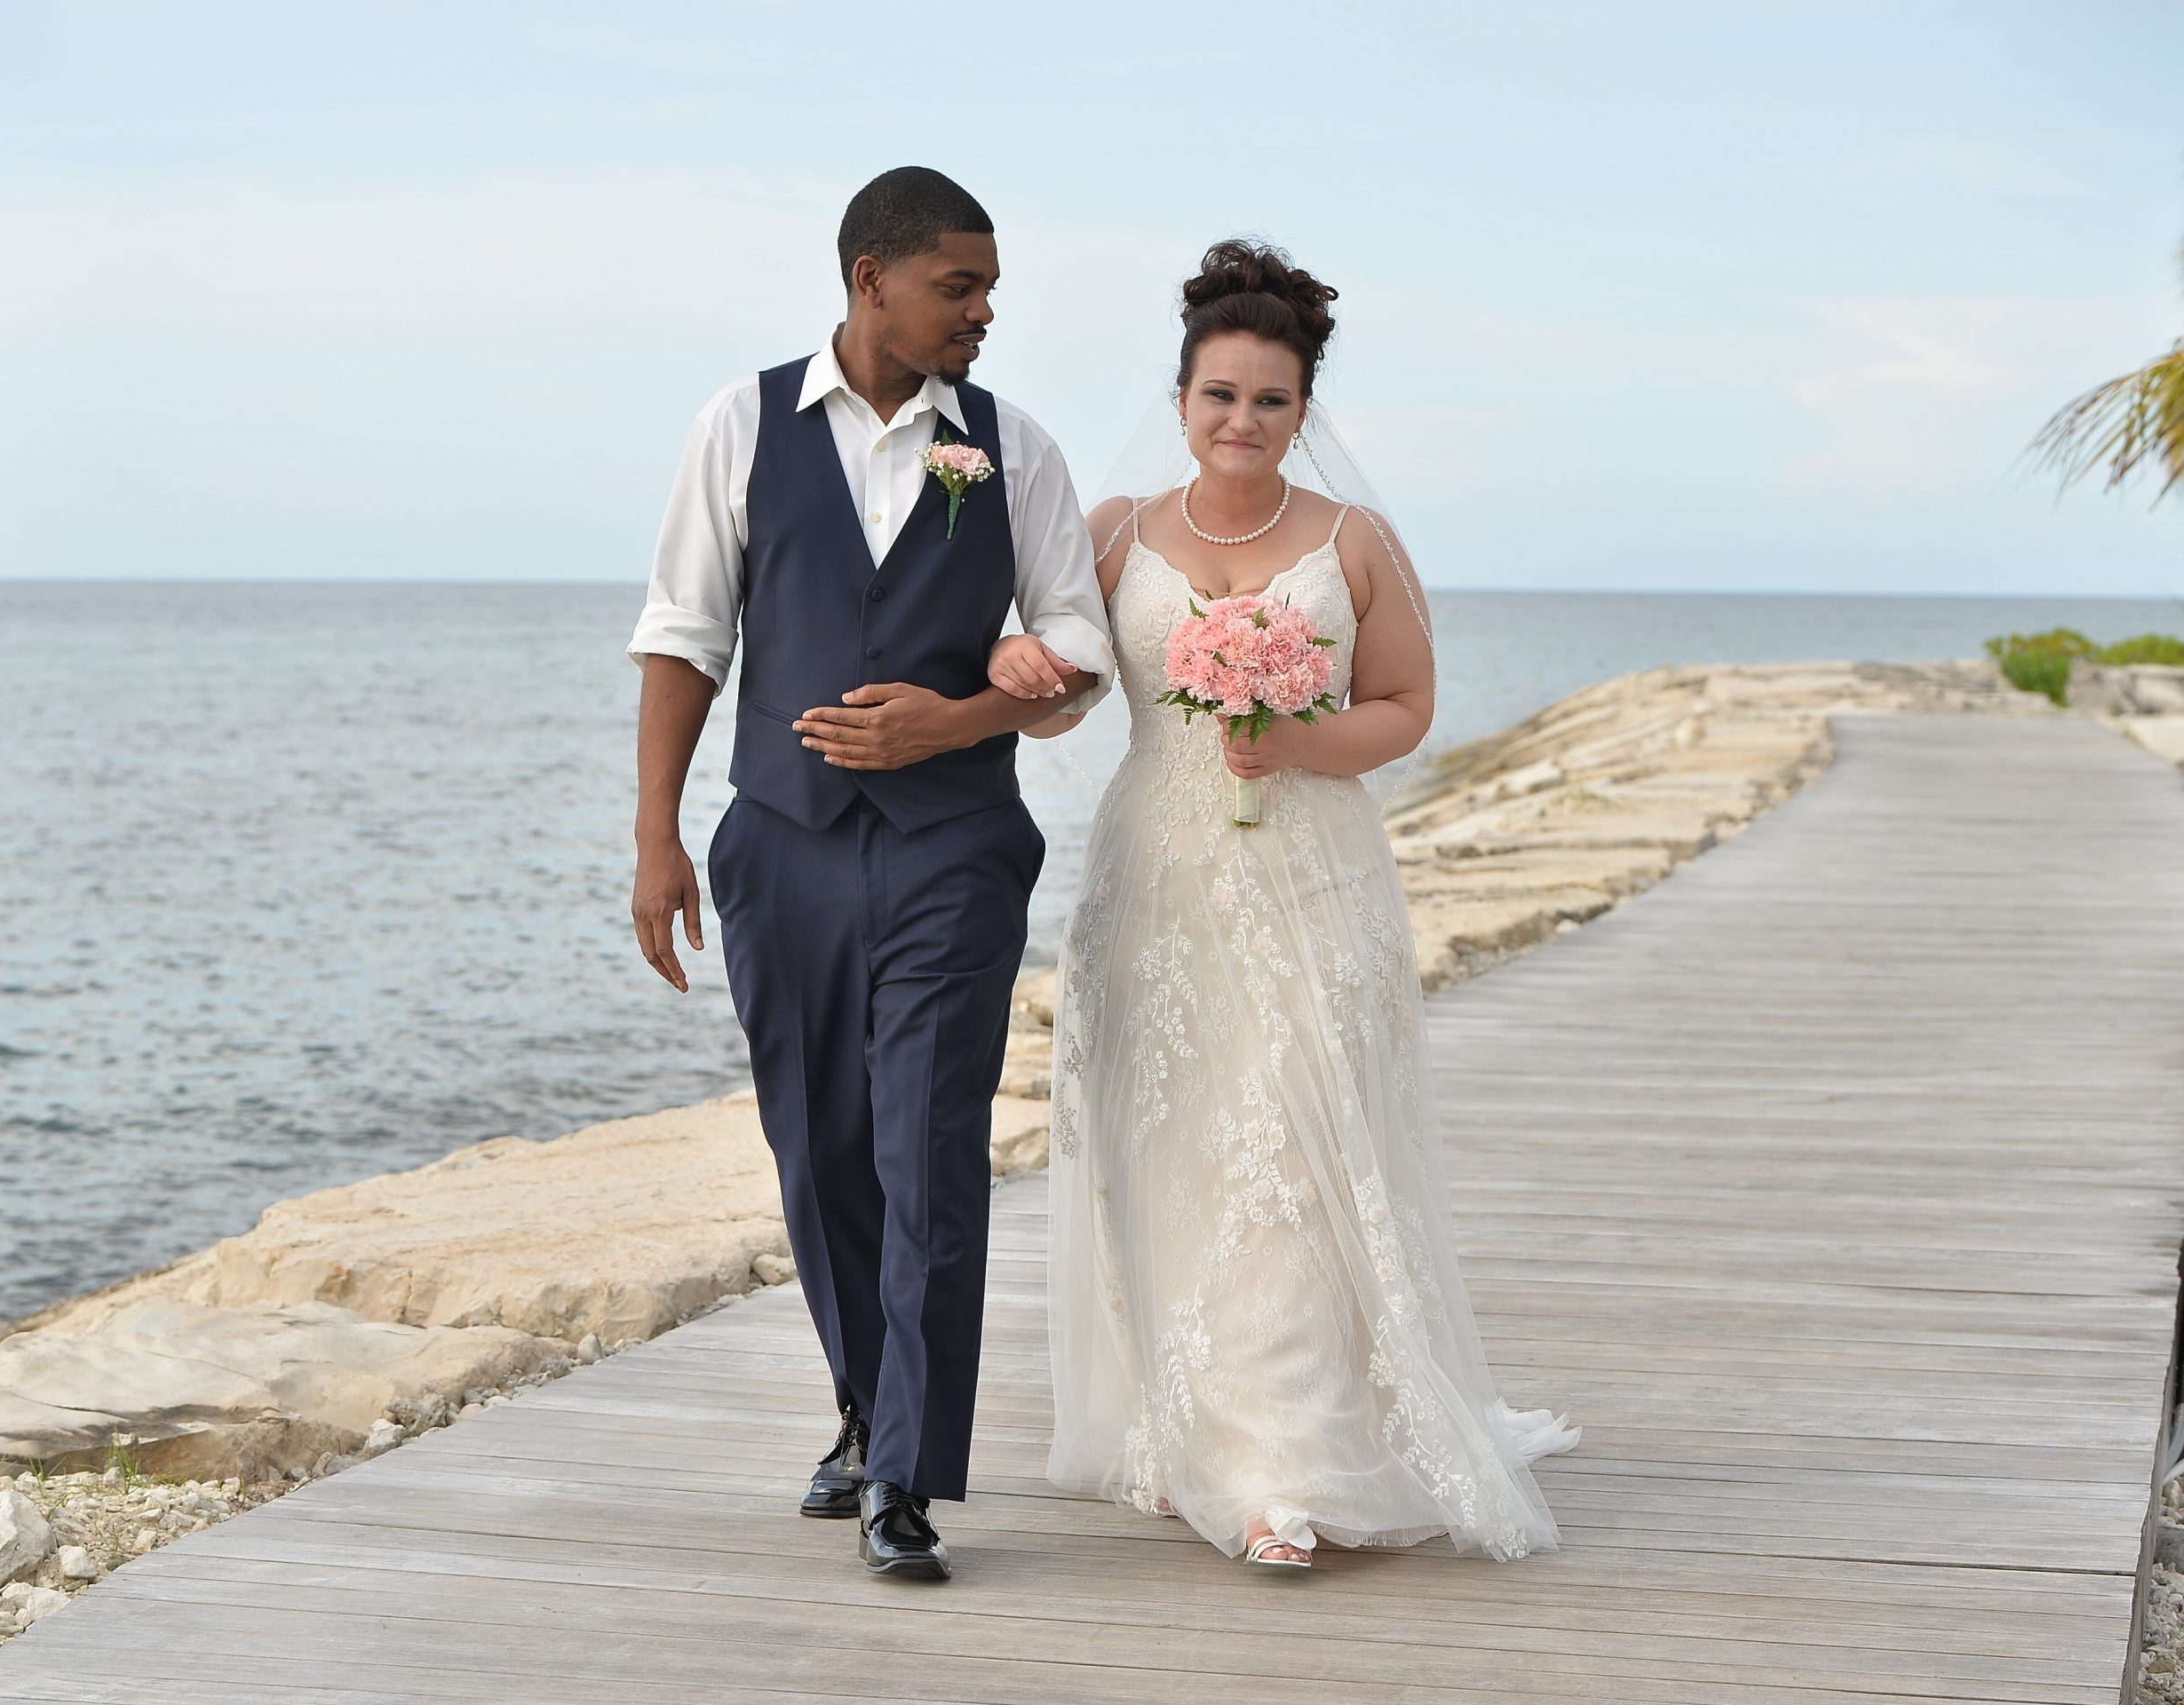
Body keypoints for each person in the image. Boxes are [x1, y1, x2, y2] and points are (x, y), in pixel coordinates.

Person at [998, 239, 1576, 1570]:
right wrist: (1024, 672)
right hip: (1159, 876)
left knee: (1295, 1160)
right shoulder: (1118, 532)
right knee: (1175, 1143)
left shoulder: (1353, 541)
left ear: (1305, 408)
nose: (1242, 422)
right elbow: (1064, 696)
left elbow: (1409, 708)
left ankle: (1281, 1472)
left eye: (1269, 399)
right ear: (1183, 397)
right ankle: (1180, 1423)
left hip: (1316, 873)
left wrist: (1296, 740)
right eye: (1219, 396)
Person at [627, 167, 1114, 1580]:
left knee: (927, 1152)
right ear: (871, 281)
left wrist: (956, 718)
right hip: (780, 848)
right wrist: (657, 837)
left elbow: (1076, 648)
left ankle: (907, 1471)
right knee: (821, 1146)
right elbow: (683, 636)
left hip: (956, 851)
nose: (982, 314)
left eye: (989, 290)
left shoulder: (1012, 449)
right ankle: (859, 1404)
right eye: (959, 287)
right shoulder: (741, 424)